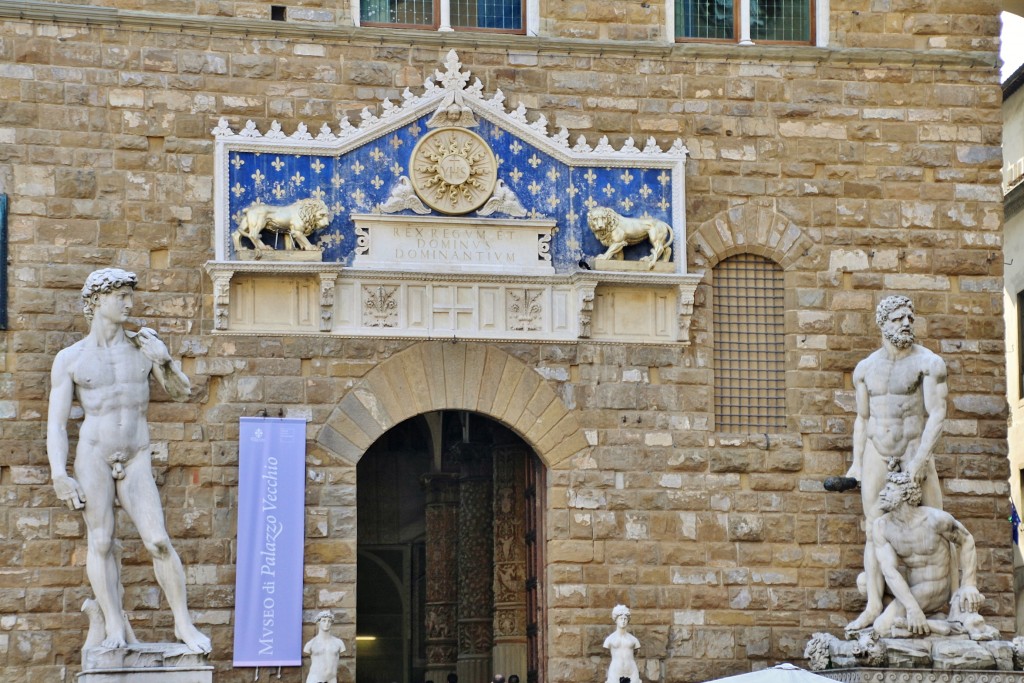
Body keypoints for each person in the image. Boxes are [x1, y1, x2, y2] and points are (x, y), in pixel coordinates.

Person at [47, 268, 211, 654]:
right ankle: (115, 626)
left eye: (129, 295)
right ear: (96, 301)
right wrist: (59, 473)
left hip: (136, 454)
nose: (129, 303)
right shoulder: (70, 359)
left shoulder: (143, 347)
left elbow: (182, 394)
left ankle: (183, 624)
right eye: (120, 296)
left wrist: (166, 360)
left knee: (157, 540)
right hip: (93, 455)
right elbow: (55, 424)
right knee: (101, 541)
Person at [844, 295, 948, 631]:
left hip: (914, 449)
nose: (906, 323)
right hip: (877, 450)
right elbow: (862, 418)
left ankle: (944, 604)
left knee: (936, 521)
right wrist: (856, 464)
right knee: (875, 528)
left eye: (909, 318)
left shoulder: (928, 363)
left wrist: (919, 463)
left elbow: (937, 414)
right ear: (883, 323)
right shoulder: (865, 369)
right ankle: (874, 605)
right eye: (897, 318)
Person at [870, 472, 996, 640]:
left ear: (906, 494)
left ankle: (914, 621)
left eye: (889, 489)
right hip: (911, 587)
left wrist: (969, 584)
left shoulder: (935, 520)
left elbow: (967, 540)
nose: (882, 493)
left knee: (880, 627)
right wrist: (912, 608)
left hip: (935, 588)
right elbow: (889, 570)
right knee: (864, 582)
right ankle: (937, 625)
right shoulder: (882, 526)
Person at [304, 610, 346, 683]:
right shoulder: (311, 644)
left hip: (331, 679)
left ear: (331, 623)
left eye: (329, 621)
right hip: (314, 679)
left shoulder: (338, 643)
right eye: (324, 621)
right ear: (318, 623)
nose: (327, 623)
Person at [603, 604, 641, 683]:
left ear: (628, 620)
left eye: (625, 619)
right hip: (615, 671)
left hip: (631, 671)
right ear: (616, 620)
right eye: (621, 618)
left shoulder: (633, 640)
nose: (623, 621)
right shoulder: (609, 639)